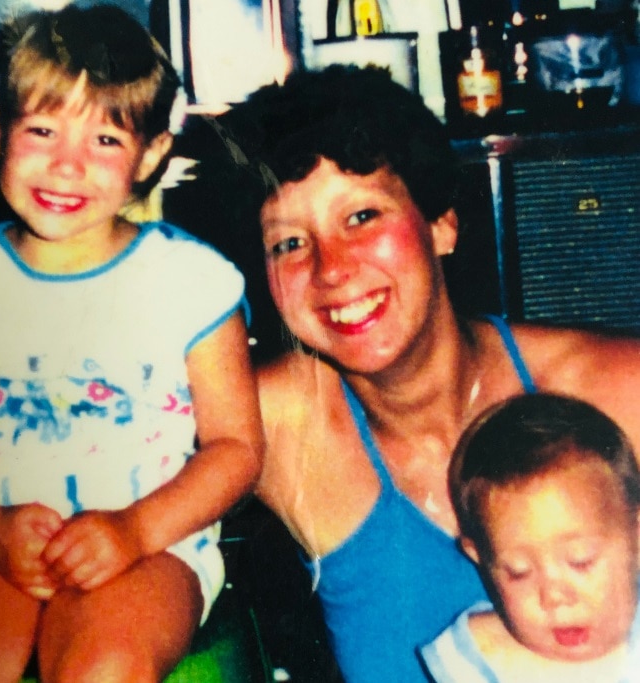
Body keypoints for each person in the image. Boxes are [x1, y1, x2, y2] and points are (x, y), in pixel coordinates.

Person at [205, 65, 640, 683]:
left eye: (361, 218)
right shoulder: (272, 423)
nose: (331, 269)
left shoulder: (618, 396)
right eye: (289, 244)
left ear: (441, 223)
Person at [0, 5, 264, 682]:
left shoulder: (191, 280)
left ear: (151, 154)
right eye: (41, 129)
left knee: (104, 666)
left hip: (151, 544)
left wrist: (134, 530)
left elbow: (236, 449)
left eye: (105, 140)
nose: (67, 165)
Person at [420, 393, 640, 683]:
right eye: (518, 573)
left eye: (580, 562)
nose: (554, 597)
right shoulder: (473, 660)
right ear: (480, 558)